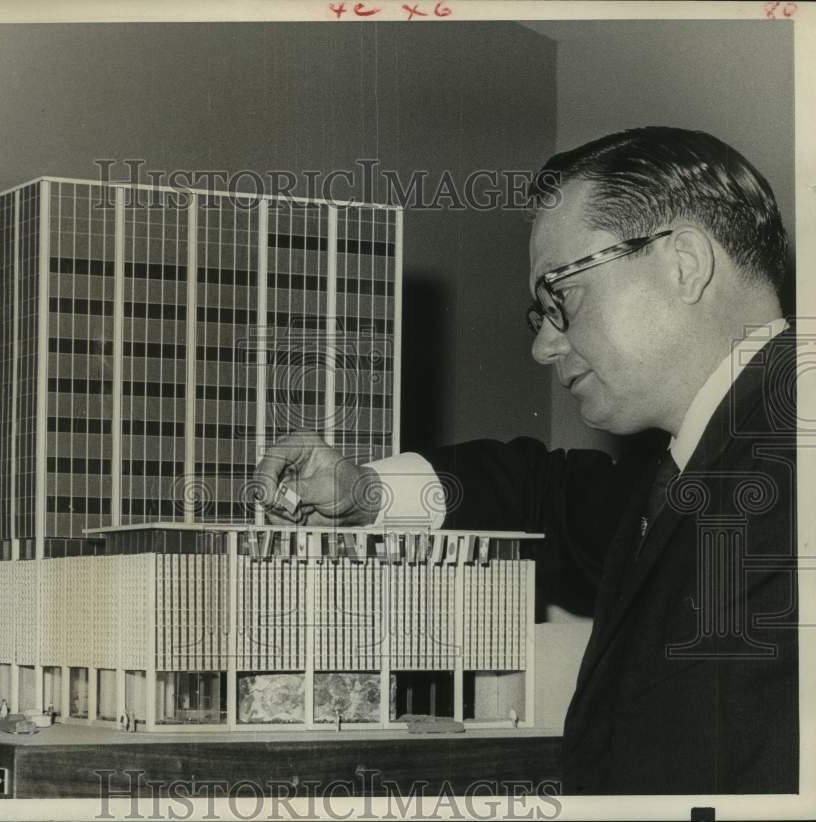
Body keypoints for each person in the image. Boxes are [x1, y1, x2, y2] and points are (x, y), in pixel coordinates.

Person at [254, 127, 798, 795]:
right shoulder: (700, 465)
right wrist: (365, 491)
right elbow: (545, 492)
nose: (543, 347)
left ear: (683, 263)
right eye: (537, 313)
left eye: (560, 297)